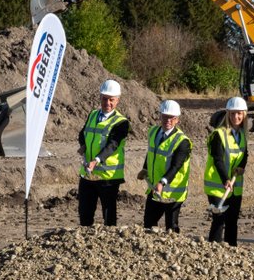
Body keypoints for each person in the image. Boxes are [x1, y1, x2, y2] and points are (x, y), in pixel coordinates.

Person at [77, 79, 129, 226]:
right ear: (100, 98)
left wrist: (97, 160)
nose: (108, 103)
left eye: (111, 100)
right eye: (105, 99)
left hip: (108, 177)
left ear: (117, 100)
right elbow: (83, 133)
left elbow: (112, 145)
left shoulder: (121, 122)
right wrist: (83, 145)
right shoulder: (93, 115)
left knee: (109, 215)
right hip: (88, 174)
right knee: (85, 212)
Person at [138, 99, 192, 233]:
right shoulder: (153, 132)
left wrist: (163, 182)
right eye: (165, 116)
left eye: (171, 118)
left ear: (177, 119)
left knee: (171, 227)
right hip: (154, 188)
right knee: (148, 224)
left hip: (173, 192)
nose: (168, 120)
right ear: (160, 116)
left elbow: (176, 166)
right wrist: (145, 169)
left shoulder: (182, 142)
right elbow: (151, 153)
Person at [203, 97, 248, 246]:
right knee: (219, 220)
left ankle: (232, 252)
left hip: (234, 188)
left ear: (244, 115)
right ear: (228, 114)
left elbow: (244, 155)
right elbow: (218, 159)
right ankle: (214, 251)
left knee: (232, 221)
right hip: (218, 187)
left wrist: (241, 167)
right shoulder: (219, 134)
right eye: (233, 113)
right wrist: (225, 179)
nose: (236, 117)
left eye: (239, 113)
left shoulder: (242, 135)